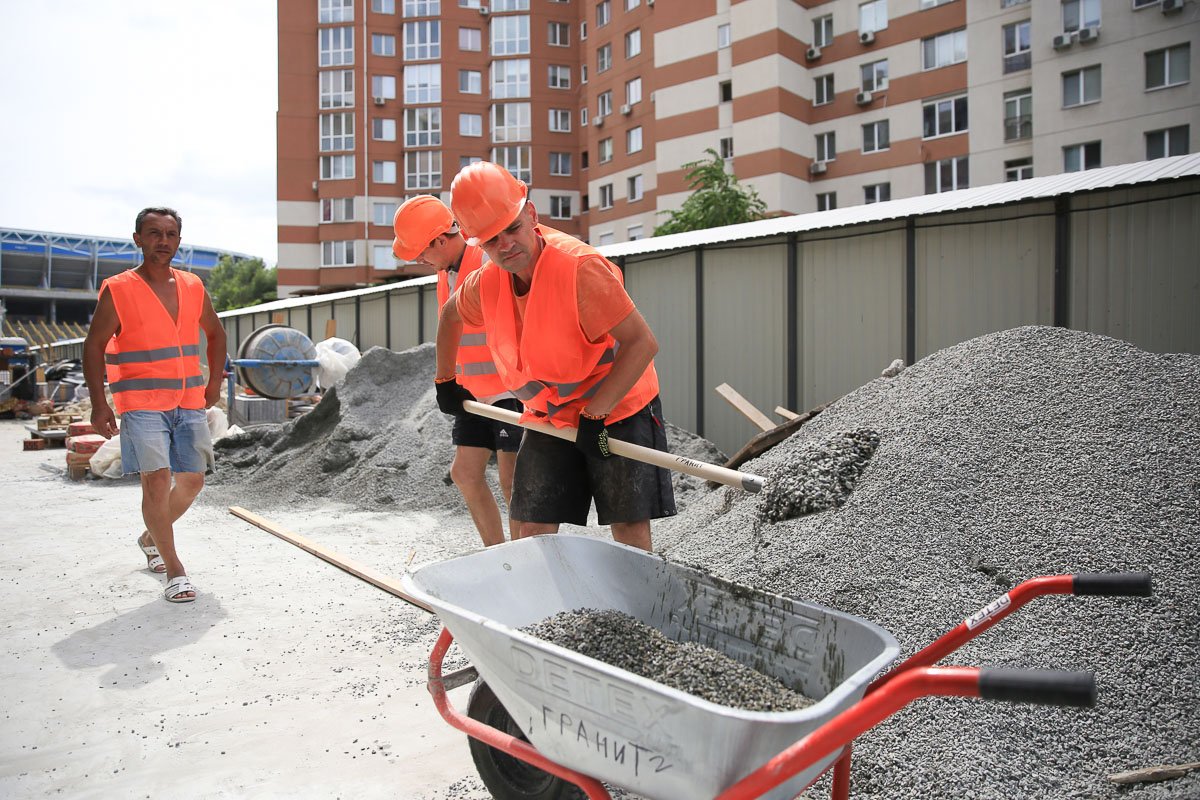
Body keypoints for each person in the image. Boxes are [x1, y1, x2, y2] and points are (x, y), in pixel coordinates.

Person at [434, 162, 676, 552]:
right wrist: (444, 380)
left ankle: (636, 611)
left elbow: (642, 343)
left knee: (628, 529)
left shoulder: (580, 270)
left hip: (618, 408)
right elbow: (450, 315)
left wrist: (597, 413)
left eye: (512, 228)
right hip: (553, 414)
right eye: (492, 240)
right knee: (530, 526)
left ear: (530, 214)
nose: (507, 244)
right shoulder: (487, 280)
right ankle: (540, 610)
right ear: (477, 242)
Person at [83, 207, 227, 603]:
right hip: (141, 400)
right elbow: (93, 345)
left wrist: (213, 381)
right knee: (157, 480)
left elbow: (215, 334)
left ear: (179, 240)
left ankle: (150, 537)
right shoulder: (120, 288)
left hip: (187, 400)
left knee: (193, 481)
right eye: (153, 233)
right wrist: (100, 404)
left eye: (170, 234)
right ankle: (174, 568)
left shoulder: (193, 285)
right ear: (138, 239)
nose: (163, 241)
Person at [392, 195, 525, 547]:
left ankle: (526, 560)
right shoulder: (444, 273)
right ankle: (499, 555)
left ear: (439, 240)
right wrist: (449, 382)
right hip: (474, 392)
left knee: (513, 480)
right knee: (465, 474)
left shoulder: (487, 260)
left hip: (512, 392)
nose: (419, 259)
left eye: (421, 251)